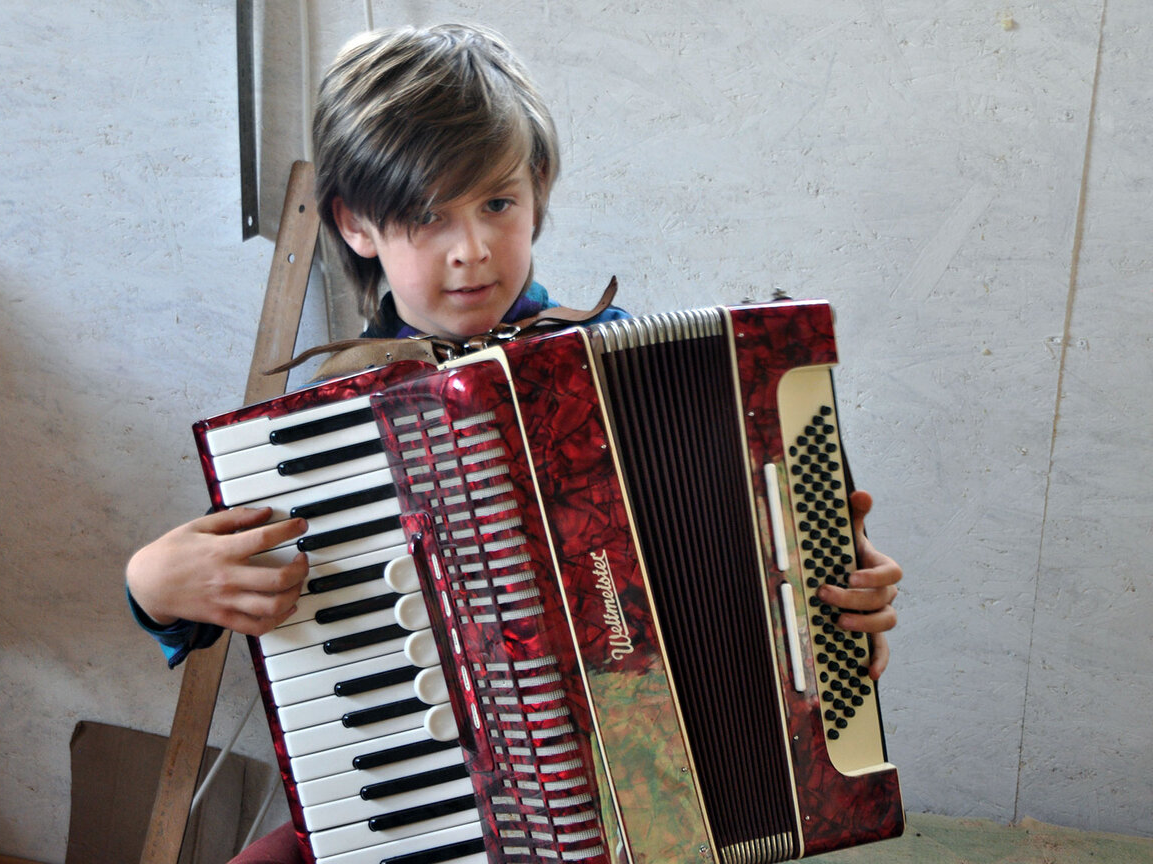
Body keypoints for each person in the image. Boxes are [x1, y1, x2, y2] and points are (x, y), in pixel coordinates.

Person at [125, 23, 902, 864]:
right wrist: (155, 589)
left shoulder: (636, 371)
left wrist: (838, 605)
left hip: (645, 799)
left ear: (536, 189)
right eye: (427, 216)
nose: (473, 249)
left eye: (497, 203)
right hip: (441, 804)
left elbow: (776, 573)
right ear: (354, 226)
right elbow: (228, 587)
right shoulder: (320, 439)